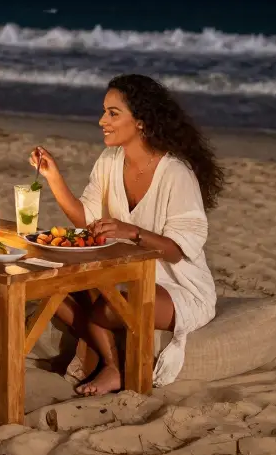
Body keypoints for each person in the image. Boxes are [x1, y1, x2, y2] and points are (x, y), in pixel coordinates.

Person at [29, 74, 226, 394]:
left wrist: (132, 232)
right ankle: (113, 364)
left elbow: (177, 251)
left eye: (113, 113)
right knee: (53, 290)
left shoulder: (176, 173)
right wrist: (54, 178)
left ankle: (111, 365)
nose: (102, 121)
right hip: (121, 275)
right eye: (104, 111)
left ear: (141, 121)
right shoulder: (109, 160)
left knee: (108, 306)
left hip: (176, 285)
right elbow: (87, 219)